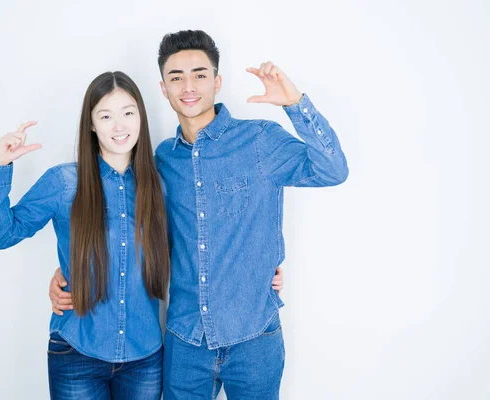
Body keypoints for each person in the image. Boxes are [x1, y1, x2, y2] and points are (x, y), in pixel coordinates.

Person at [50, 29, 349, 399]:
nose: (188, 86)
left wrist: (295, 103)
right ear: (164, 88)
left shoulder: (259, 141)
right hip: (185, 340)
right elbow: (128, 225)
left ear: (217, 82)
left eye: (200, 75)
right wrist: (68, 268)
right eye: (176, 77)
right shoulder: (160, 160)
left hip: (254, 336)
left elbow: (333, 171)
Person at [0, 71, 169, 399]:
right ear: (92, 125)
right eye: (106, 116)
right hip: (77, 355)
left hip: (145, 357)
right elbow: (1, 236)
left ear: (141, 117)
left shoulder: (159, 184)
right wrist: (1, 166)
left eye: (128, 113)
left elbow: (188, 247)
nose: (119, 125)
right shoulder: (64, 183)